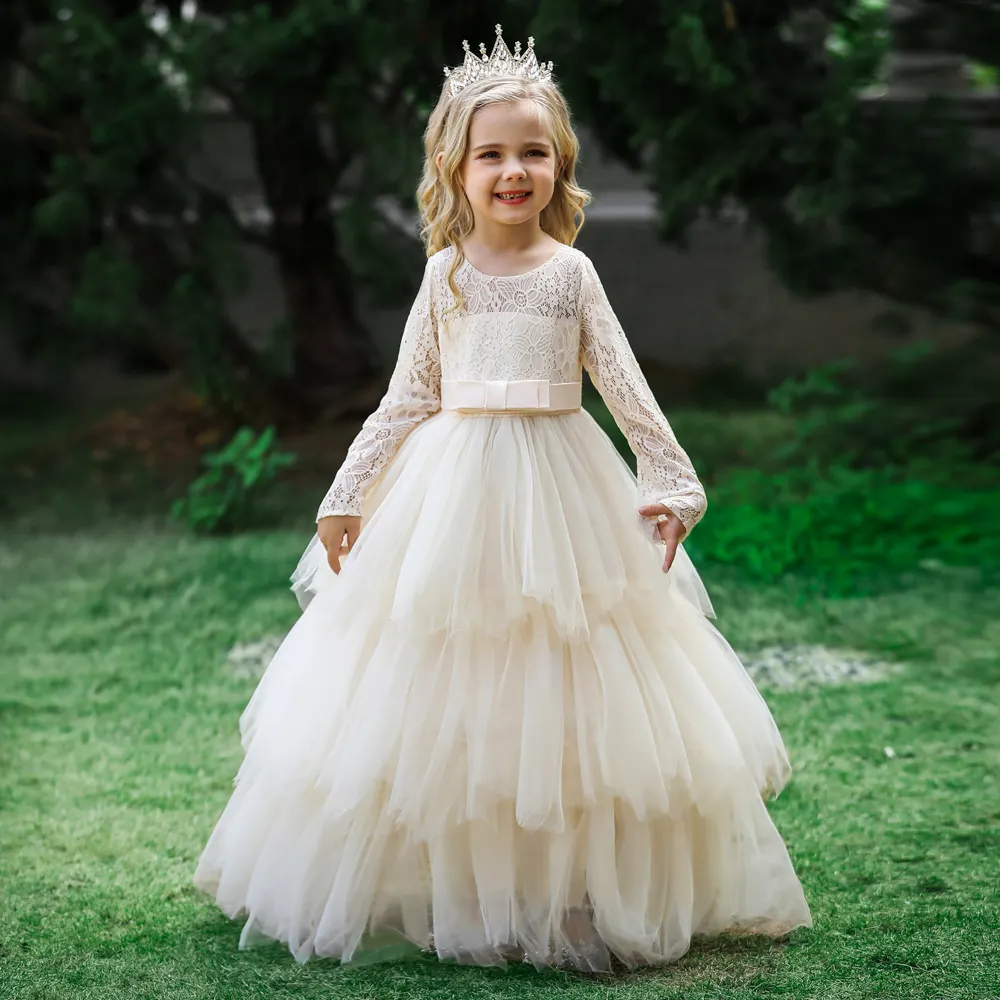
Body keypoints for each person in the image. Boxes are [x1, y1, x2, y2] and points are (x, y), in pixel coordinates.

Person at [193, 24, 813, 974]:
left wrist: (670, 478)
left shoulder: (572, 274)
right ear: (457, 166)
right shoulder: (445, 276)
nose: (513, 170)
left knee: (564, 692)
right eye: (492, 154)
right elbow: (407, 392)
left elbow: (623, 385)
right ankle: (457, 892)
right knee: (447, 691)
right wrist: (347, 492)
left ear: (557, 168)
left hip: (564, 493)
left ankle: (565, 895)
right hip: (452, 498)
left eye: (533, 153)